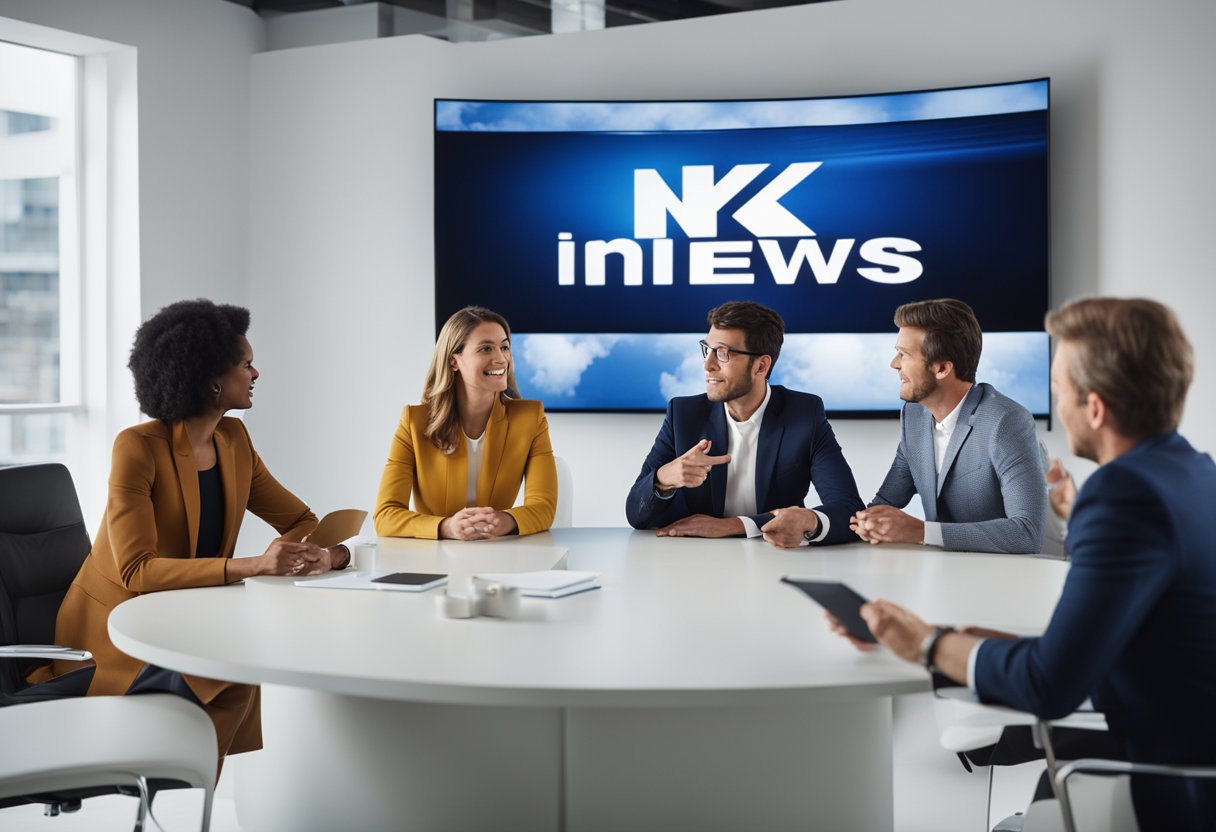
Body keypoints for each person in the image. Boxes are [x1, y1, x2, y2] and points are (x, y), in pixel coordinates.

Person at [830, 297, 1216, 830]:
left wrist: (925, 644)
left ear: (1095, 408)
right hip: (1169, 739)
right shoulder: (1195, 472)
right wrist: (965, 639)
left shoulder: (1123, 496)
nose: (1055, 404)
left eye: (1060, 389)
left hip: (1163, 787)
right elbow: (1128, 645)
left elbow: (1047, 685)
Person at [30, 299, 348, 765]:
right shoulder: (138, 448)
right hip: (116, 629)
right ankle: (168, 777)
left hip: (185, 614)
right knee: (232, 673)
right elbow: (138, 571)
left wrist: (299, 551)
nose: (256, 374)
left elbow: (301, 518)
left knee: (240, 669)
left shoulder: (234, 441)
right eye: (246, 364)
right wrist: (254, 565)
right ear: (212, 379)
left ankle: (174, 780)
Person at [625, 301, 863, 546]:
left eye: (723, 353)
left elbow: (849, 511)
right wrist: (663, 479)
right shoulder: (684, 414)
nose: (708, 365)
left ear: (761, 366)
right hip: (696, 558)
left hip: (775, 557)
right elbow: (636, 515)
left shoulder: (803, 414)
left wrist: (733, 526)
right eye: (707, 349)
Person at [850, 298, 1047, 554]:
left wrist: (921, 532)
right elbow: (885, 503)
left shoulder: (1006, 421)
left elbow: (1027, 533)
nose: (894, 363)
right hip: (939, 569)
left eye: (904, 354)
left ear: (942, 368)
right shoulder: (913, 416)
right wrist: (830, 524)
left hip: (1000, 573)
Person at [374, 306, 557, 539]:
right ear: (454, 361)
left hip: (498, 550)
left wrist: (503, 520)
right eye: (486, 348)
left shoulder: (530, 418)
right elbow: (385, 515)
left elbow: (543, 508)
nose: (501, 358)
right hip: (433, 555)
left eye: (504, 347)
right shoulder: (414, 422)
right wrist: (447, 527)